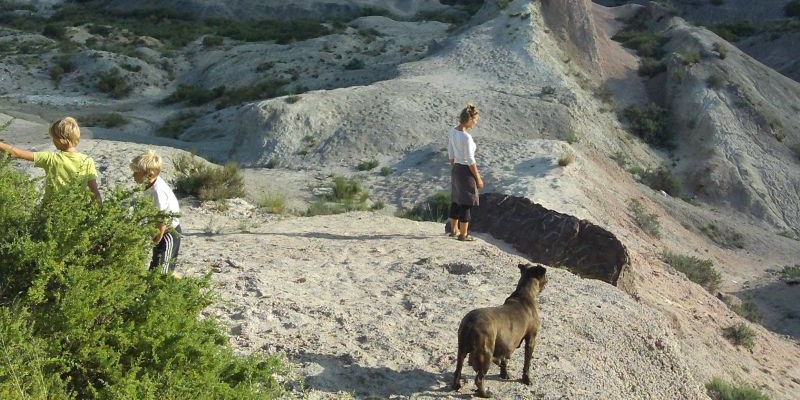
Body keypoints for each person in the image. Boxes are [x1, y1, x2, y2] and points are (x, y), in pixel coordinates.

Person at [0, 116, 101, 202]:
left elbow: (15, 153)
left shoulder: (51, 158)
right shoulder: (88, 161)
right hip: (75, 214)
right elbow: (95, 192)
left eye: (53, 138)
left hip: (49, 213)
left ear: (59, 140)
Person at [130, 150, 182, 275]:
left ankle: (185, 290)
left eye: (136, 173)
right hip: (160, 231)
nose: (133, 175)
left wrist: (156, 239)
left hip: (168, 234)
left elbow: (162, 218)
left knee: (162, 272)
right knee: (157, 267)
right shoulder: (150, 185)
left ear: (149, 174)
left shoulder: (157, 191)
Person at [447, 104, 484, 242]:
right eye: (475, 120)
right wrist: (478, 178)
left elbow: (450, 151)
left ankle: (453, 230)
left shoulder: (453, 131)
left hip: (456, 167)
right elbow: (470, 160)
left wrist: (454, 165)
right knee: (466, 202)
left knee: (456, 199)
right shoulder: (466, 137)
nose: (476, 123)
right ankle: (464, 234)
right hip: (465, 170)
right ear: (470, 119)